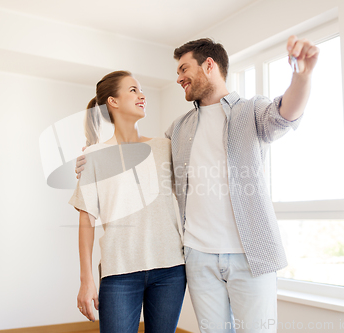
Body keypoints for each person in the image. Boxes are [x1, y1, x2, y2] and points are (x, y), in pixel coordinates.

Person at [75, 36, 319, 333]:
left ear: (209, 65)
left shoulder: (251, 110)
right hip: (198, 258)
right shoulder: (178, 129)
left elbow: (286, 114)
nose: (178, 79)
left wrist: (302, 75)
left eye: (183, 69)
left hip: (249, 255)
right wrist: (93, 159)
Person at [69, 70, 186, 333]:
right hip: (119, 272)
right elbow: (86, 219)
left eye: (141, 90)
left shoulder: (164, 147)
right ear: (113, 101)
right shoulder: (94, 156)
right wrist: (86, 279)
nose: (142, 95)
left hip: (170, 269)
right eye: (133, 90)